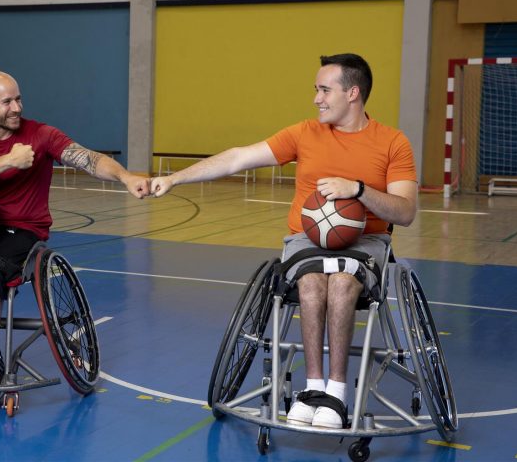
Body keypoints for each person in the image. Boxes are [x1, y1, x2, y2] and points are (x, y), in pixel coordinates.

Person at [151, 54, 417, 428]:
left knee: (341, 284)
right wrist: (176, 178)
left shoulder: (393, 142)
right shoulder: (305, 133)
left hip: (365, 243)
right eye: (316, 90)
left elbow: (405, 212)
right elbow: (237, 159)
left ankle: (336, 395)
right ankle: (312, 388)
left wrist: (358, 190)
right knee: (310, 284)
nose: (317, 98)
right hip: (306, 241)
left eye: (324, 89)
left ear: (353, 93)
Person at [0, 70, 151, 388]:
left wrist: (125, 176)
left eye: (18, 99)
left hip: (23, 231)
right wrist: (8, 160)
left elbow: (89, 159)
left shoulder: (41, 134)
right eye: (7, 102)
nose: (16, 108)